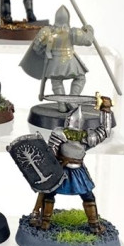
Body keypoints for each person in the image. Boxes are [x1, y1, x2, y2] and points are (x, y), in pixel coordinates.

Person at [30, 99, 113, 233]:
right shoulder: (87, 136)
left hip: (61, 171)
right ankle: (94, 225)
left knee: (49, 194)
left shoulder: (60, 133)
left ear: (68, 121)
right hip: (76, 171)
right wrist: (106, 110)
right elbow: (105, 131)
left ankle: (45, 222)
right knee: (88, 197)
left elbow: (51, 154)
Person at [20, 5, 93, 112]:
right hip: (70, 63)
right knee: (80, 78)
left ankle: (62, 105)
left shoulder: (46, 31)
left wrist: (45, 53)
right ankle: (72, 100)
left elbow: (36, 47)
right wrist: (89, 29)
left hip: (54, 63)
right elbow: (89, 40)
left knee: (56, 82)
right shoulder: (73, 32)